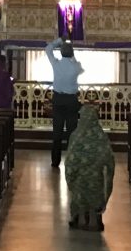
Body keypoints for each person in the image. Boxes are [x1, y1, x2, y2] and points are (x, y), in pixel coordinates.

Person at [63, 103, 115, 231]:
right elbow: (109, 160)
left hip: (79, 180)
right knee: (94, 188)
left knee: (80, 189)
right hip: (96, 180)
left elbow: (69, 160)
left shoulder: (75, 136)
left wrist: (71, 178)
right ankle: (93, 220)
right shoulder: (101, 136)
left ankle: (80, 219)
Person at [45, 36, 84, 167]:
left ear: (61, 52)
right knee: (72, 132)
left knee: (57, 132)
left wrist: (59, 41)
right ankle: (72, 161)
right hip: (71, 101)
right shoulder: (76, 67)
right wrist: (72, 56)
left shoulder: (56, 64)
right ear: (72, 53)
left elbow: (48, 49)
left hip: (58, 99)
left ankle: (55, 161)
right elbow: (81, 69)